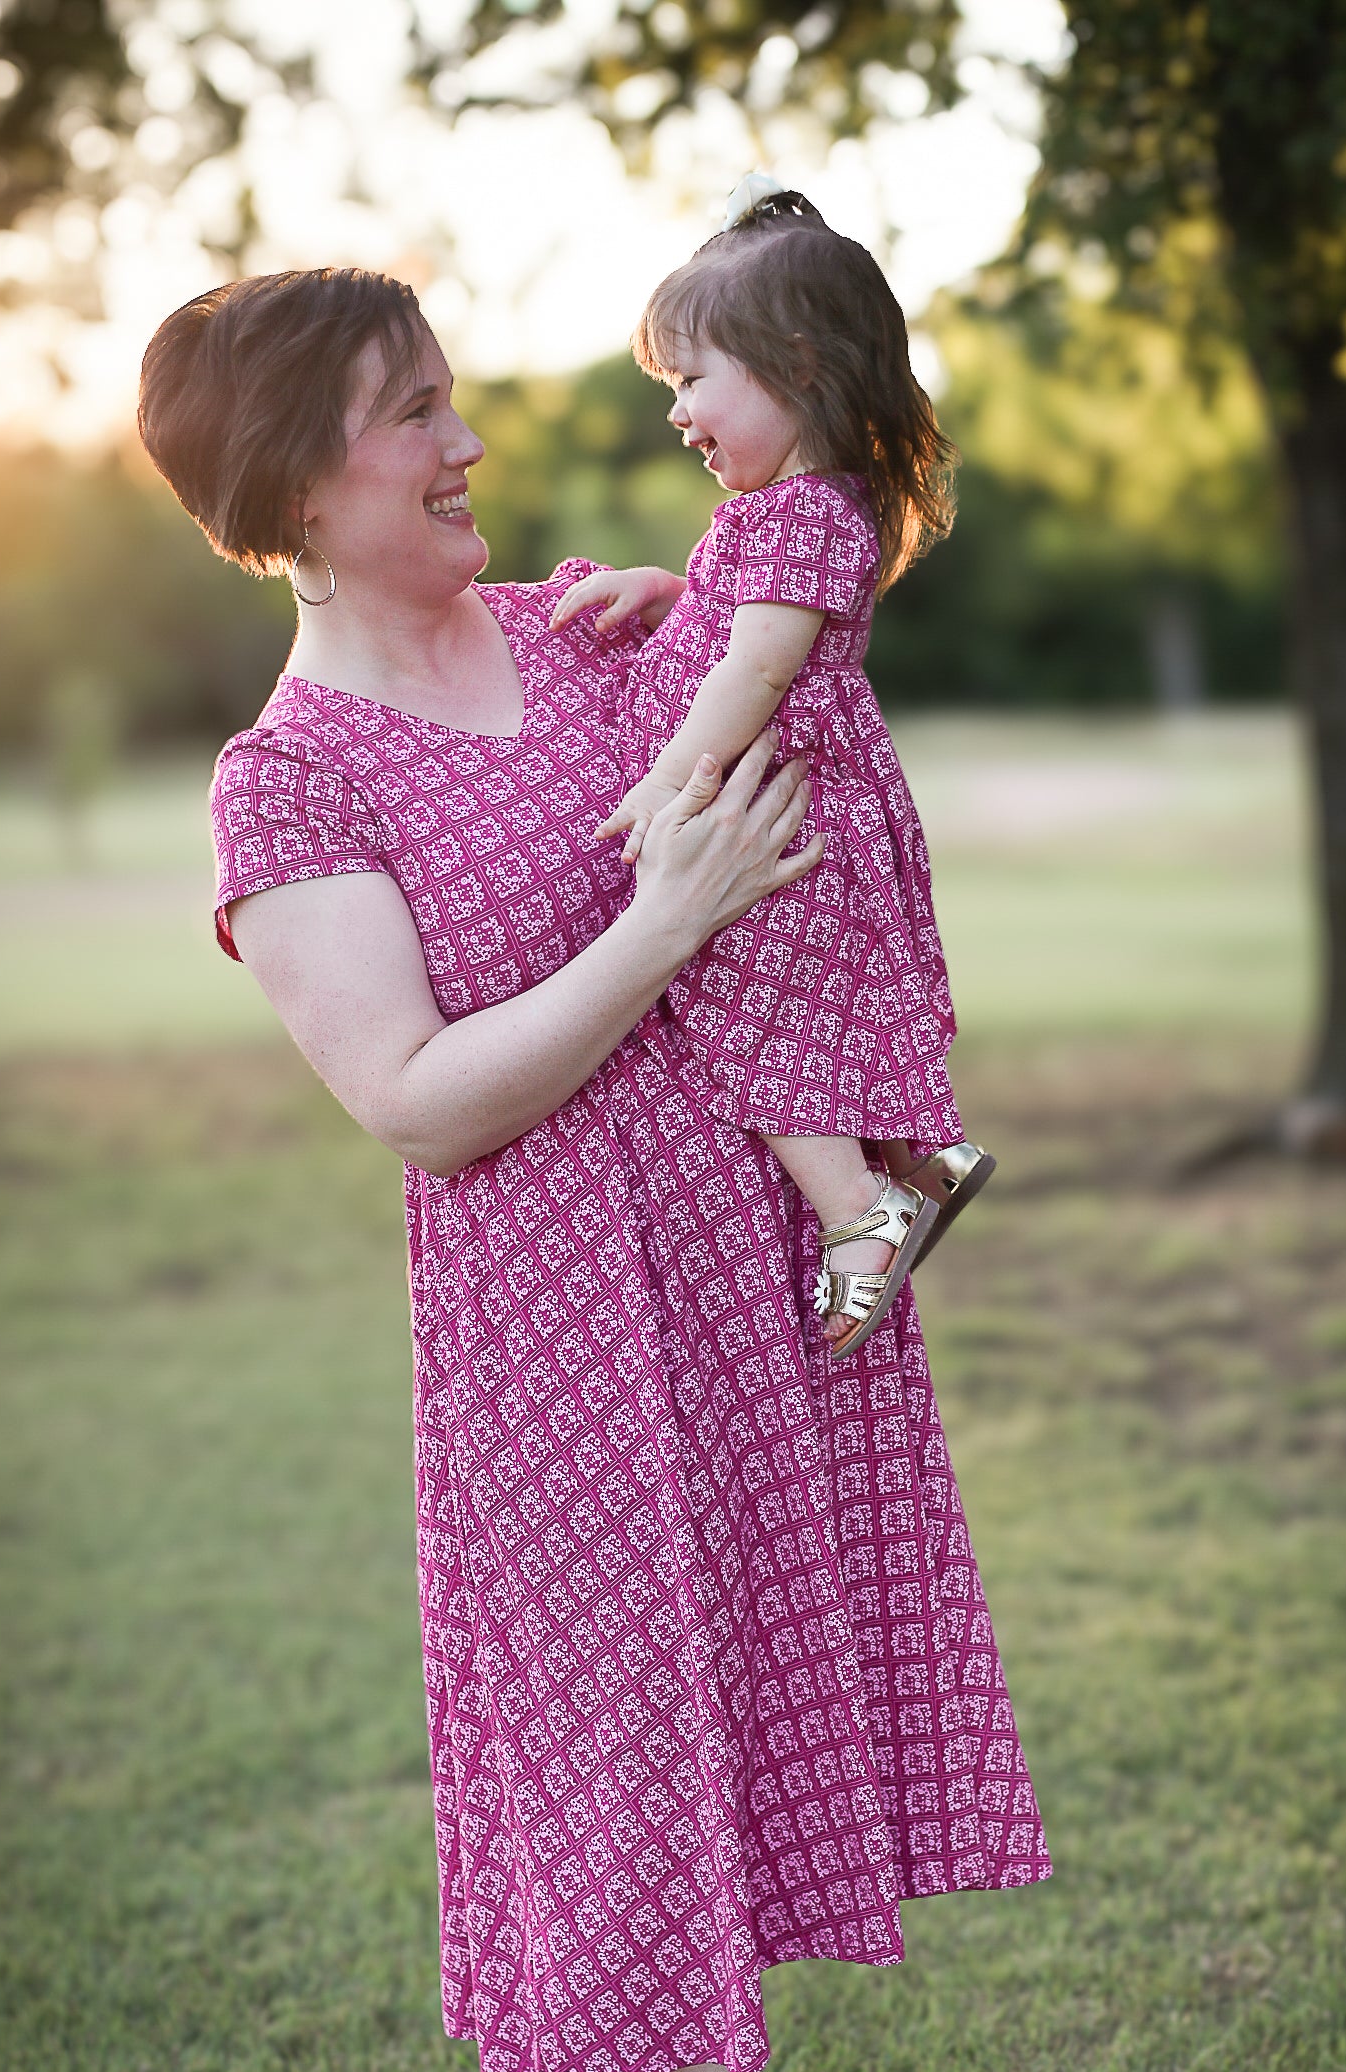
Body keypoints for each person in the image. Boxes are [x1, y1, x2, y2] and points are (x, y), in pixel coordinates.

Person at [137, 261, 1049, 2072]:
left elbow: (795, 668)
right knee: (605, 1756)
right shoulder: (287, 783)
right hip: (552, 1328)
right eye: (408, 415)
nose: (465, 441)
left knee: (732, 1712)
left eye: (450, 396)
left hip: (745, 1270)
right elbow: (421, 1093)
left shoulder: (582, 633)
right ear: (287, 478)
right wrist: (665, 922)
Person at [551, 178, 994, 1364]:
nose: (677, 412)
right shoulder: (777, 517)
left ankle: (864, 1210)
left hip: (779, 813)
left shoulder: (804, 518)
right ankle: (919, 1148)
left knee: (754, 1014)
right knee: (780, 1003)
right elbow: (740, 622)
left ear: (795, 367)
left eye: (692, 379)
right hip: (790, 809)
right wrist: (671, 588)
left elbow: (754, 677)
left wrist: (668, 784)